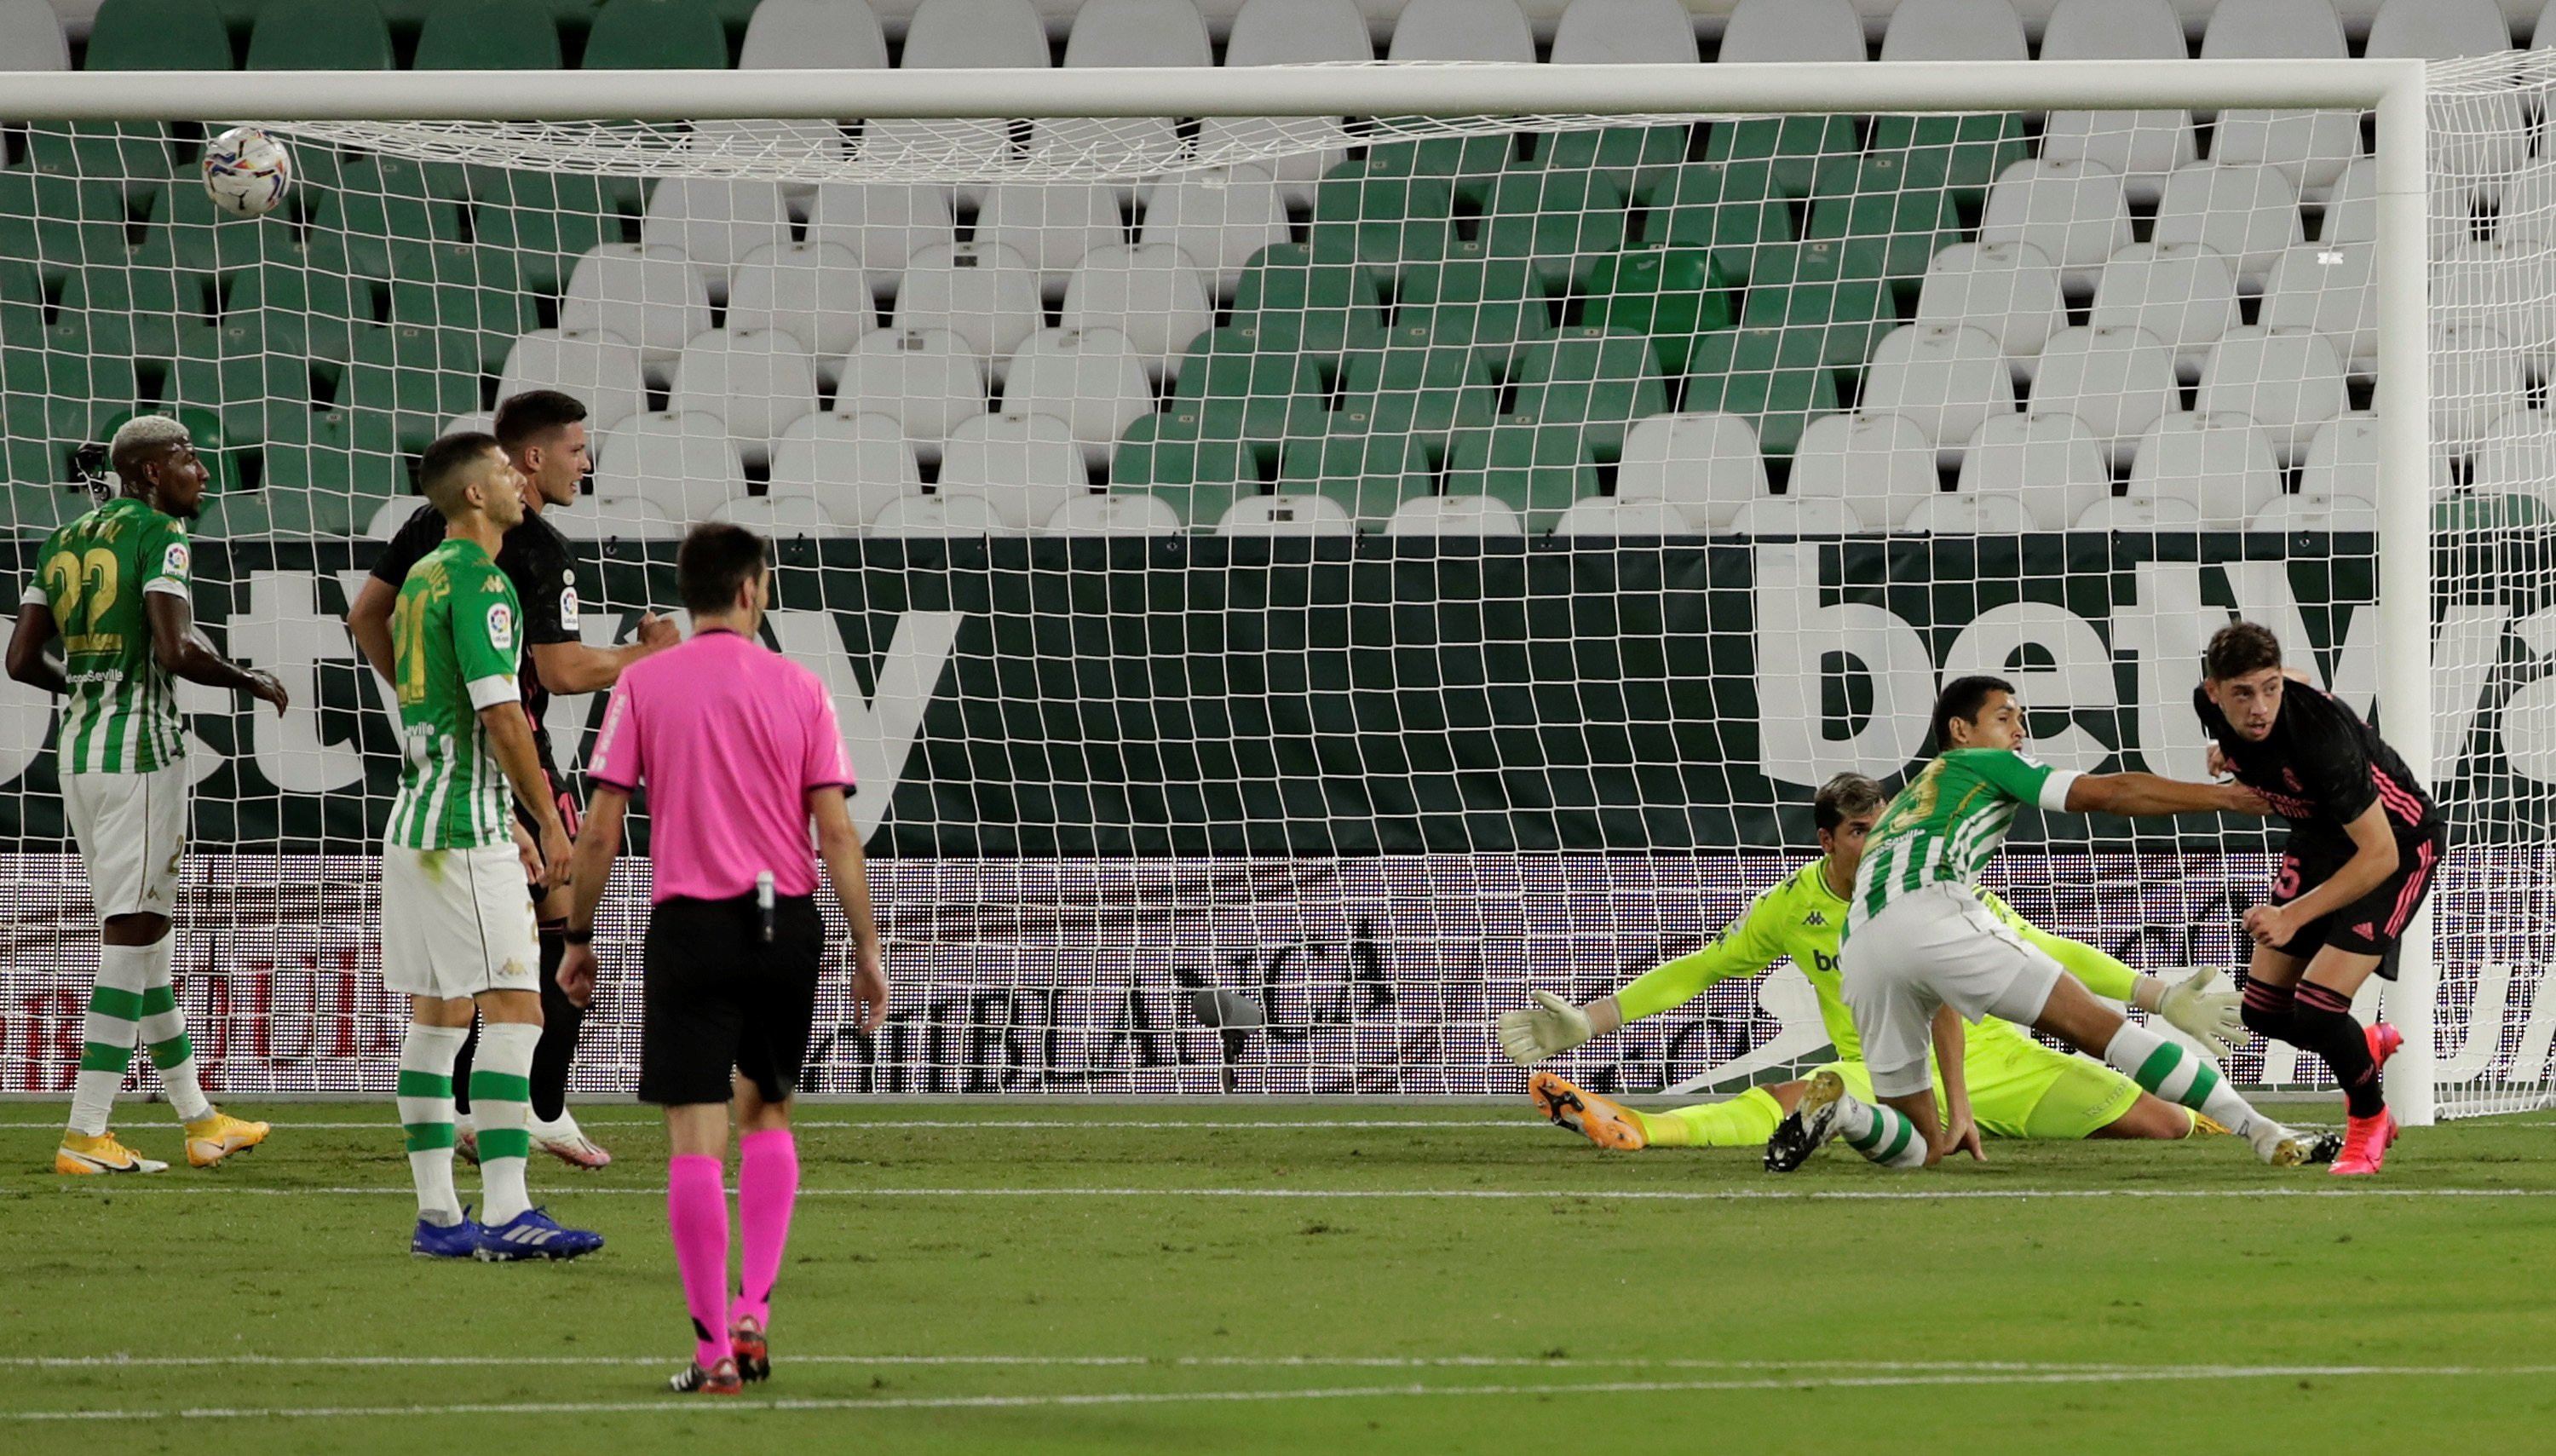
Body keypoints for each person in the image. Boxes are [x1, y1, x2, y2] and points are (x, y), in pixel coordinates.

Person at [558, 523, 888, 1394]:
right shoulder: (803, 686)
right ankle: (756, 1313)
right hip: (786, 927)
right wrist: (866, 947)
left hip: (691, 929)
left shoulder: (644, 684)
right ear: (751, 590)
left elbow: (599, 830)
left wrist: (578, 936)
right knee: (768, 1115)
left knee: (694, 1144)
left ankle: (710, 1357)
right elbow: (838, 833)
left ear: (690, 592)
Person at [1501, 773, 2252, 1154]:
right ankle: (1643, 1128)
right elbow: (1701, 968)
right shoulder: (1788, 908)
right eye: (1862, 830)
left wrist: (2157, 993)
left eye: (1887, 825)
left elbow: (2046, 949)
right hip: (1883, 1065)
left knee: (2163, 1127)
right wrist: (1592, 1019)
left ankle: (2206, 1115)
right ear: (1827, 839)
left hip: (2004, 1059)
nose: (1879, 840)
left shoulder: (1936, 884)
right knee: (1802, 1093)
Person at [1767, 676, 2336, 1173]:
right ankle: (2265, 1131)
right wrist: (2231, 800)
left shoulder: (1908, 804)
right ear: (1960, 731)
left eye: (2022, 719)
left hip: (1862, 945)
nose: (2019, 730)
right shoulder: (1981, 763)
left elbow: (1931, 984)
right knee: (2109, 1032)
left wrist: (1958, 1100)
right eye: (2004, 716)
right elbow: (2110, 793)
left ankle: (1845, 1111)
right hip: (1933, 910)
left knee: (1920, 1144)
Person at [349, 389, 676, 1170]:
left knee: (453, 989)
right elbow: (559, 672)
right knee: (557, 942)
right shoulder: (533, 549)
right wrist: (651, 656)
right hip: (504, 762)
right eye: (575, 450)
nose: (585, 463)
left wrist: (429, 701)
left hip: (442, 770)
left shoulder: (429, 528)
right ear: (527, 460)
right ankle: (534, 1113)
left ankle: (478, 1115)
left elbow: (366, 616)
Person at [8, 416, 283, 1175]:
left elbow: (22, 657)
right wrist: (249, 679)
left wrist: (88, 689)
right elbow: (176, 648)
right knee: (132, 936)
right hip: (142, 756)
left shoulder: (62, 540)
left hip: (81, 755)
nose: (202, 470)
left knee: (148, 938)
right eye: (188, 457)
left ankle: (199, 1120)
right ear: (154, 472)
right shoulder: (162, 534)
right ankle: (85, 1130)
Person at [381, 432, 602, 1262]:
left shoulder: (420, 579)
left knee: (438, 1022)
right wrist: (542, 813)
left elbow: (439, 714)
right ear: (475, 494)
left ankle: (440, 1214)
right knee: (518, 1010)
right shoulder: (480, 580)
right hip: (459, 834)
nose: (520, 481)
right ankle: (507, 1208)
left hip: (418, 817)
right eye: (506, 472)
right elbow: (503, 714)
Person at [2196, 621, 2446, 1177]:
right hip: (2319, 842)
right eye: (2243, 692)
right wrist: (2224, 748)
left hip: (2396, 847)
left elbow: (2378, 854)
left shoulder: (2322, 742)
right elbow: (2295, 675)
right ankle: (2361, 1047)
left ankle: (2370, 1120)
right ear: (2214, 691)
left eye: (2269, 688)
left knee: (2317, 1005)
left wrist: (2292, 914)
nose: (2259, 706)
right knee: (2262, 1009)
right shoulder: (2214, 705)